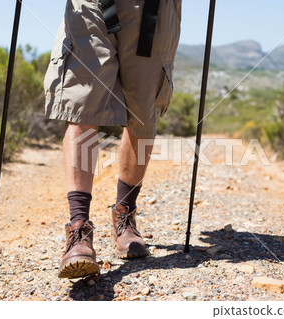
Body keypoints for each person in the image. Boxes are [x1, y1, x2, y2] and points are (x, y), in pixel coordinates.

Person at [43, 0, 181, 279]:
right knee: (82, 101)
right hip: (90, 4)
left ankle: (124, 213)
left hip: (155, 9)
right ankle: (79, 228)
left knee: (143, 113)